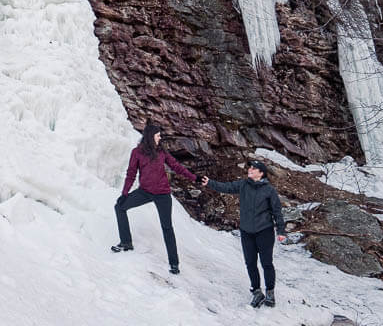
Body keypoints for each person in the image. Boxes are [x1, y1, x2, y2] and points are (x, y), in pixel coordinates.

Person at [111, 122, 197, 275]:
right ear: (151, 137)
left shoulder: (161, 151)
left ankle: (174, 263)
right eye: (158, 136)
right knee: (120, 207)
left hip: (163, 194)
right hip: (144, 192)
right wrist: (124, 194)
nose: (160, 138)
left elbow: (176, 166)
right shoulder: (136, 152)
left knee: (167, 227)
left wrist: (194, 178)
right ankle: (126, 242)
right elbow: (131, 174)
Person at [201, 159, 287, 308]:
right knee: (250, 263)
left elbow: (277, 211)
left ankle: (270, 293)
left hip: (264, 231)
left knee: (266, 263)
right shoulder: (243, 185)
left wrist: (281, 230)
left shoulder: (269, 190)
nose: (250, 170)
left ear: (261, 173)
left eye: (254, 169)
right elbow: (226, 187)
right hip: (247, 231)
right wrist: (209, 182)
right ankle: (256, 291)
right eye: (250, 168)